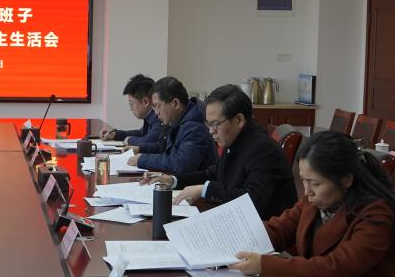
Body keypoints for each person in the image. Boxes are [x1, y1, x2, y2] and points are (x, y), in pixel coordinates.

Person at [230, 131, 395, 277]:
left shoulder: (376, 215)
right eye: (304, 181)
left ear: (346, 179)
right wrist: (234, 241)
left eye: (315, 184)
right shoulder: (316, 201)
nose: (307, 191)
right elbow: (280, 229)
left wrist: (264, 265)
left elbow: (337, 268)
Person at [158, 84, 297, 219]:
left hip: (263, 229)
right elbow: (213, 174)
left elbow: (252, 201)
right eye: (208, 124)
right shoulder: (235, 140)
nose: (211, 131)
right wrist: (173, 180)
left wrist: (204, 190)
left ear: (239, 120)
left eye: (215, 124)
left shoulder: (263, 149)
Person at [128, 77, 214, 176]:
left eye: (158, 106)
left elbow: (181, 164)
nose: (156, 113)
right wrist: (140, 149)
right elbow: (162, 147)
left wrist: (143, 159)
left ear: (176, 103)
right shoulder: (176, 120)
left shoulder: (195, 128)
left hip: (191, 184)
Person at [99, 74, 163, 149]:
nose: (131, 109)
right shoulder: (150, 116)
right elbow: (141, 133)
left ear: (145, 102)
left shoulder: (159, 117)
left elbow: (148, 141)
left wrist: (129, 140)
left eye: (131, 104)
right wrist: (115, 134)